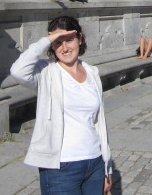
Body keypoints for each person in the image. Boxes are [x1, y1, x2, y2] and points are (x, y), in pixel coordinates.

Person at [10, 16, 113, 195]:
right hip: (60, 167)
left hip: (94, 162)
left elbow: (98, 123)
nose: (65, 48)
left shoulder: (92, 72)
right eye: (58, 42)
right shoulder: (45, 71)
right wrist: (46, 40)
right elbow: (17, 71)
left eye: (70, 40)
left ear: (80, 39)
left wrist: (106, 166)